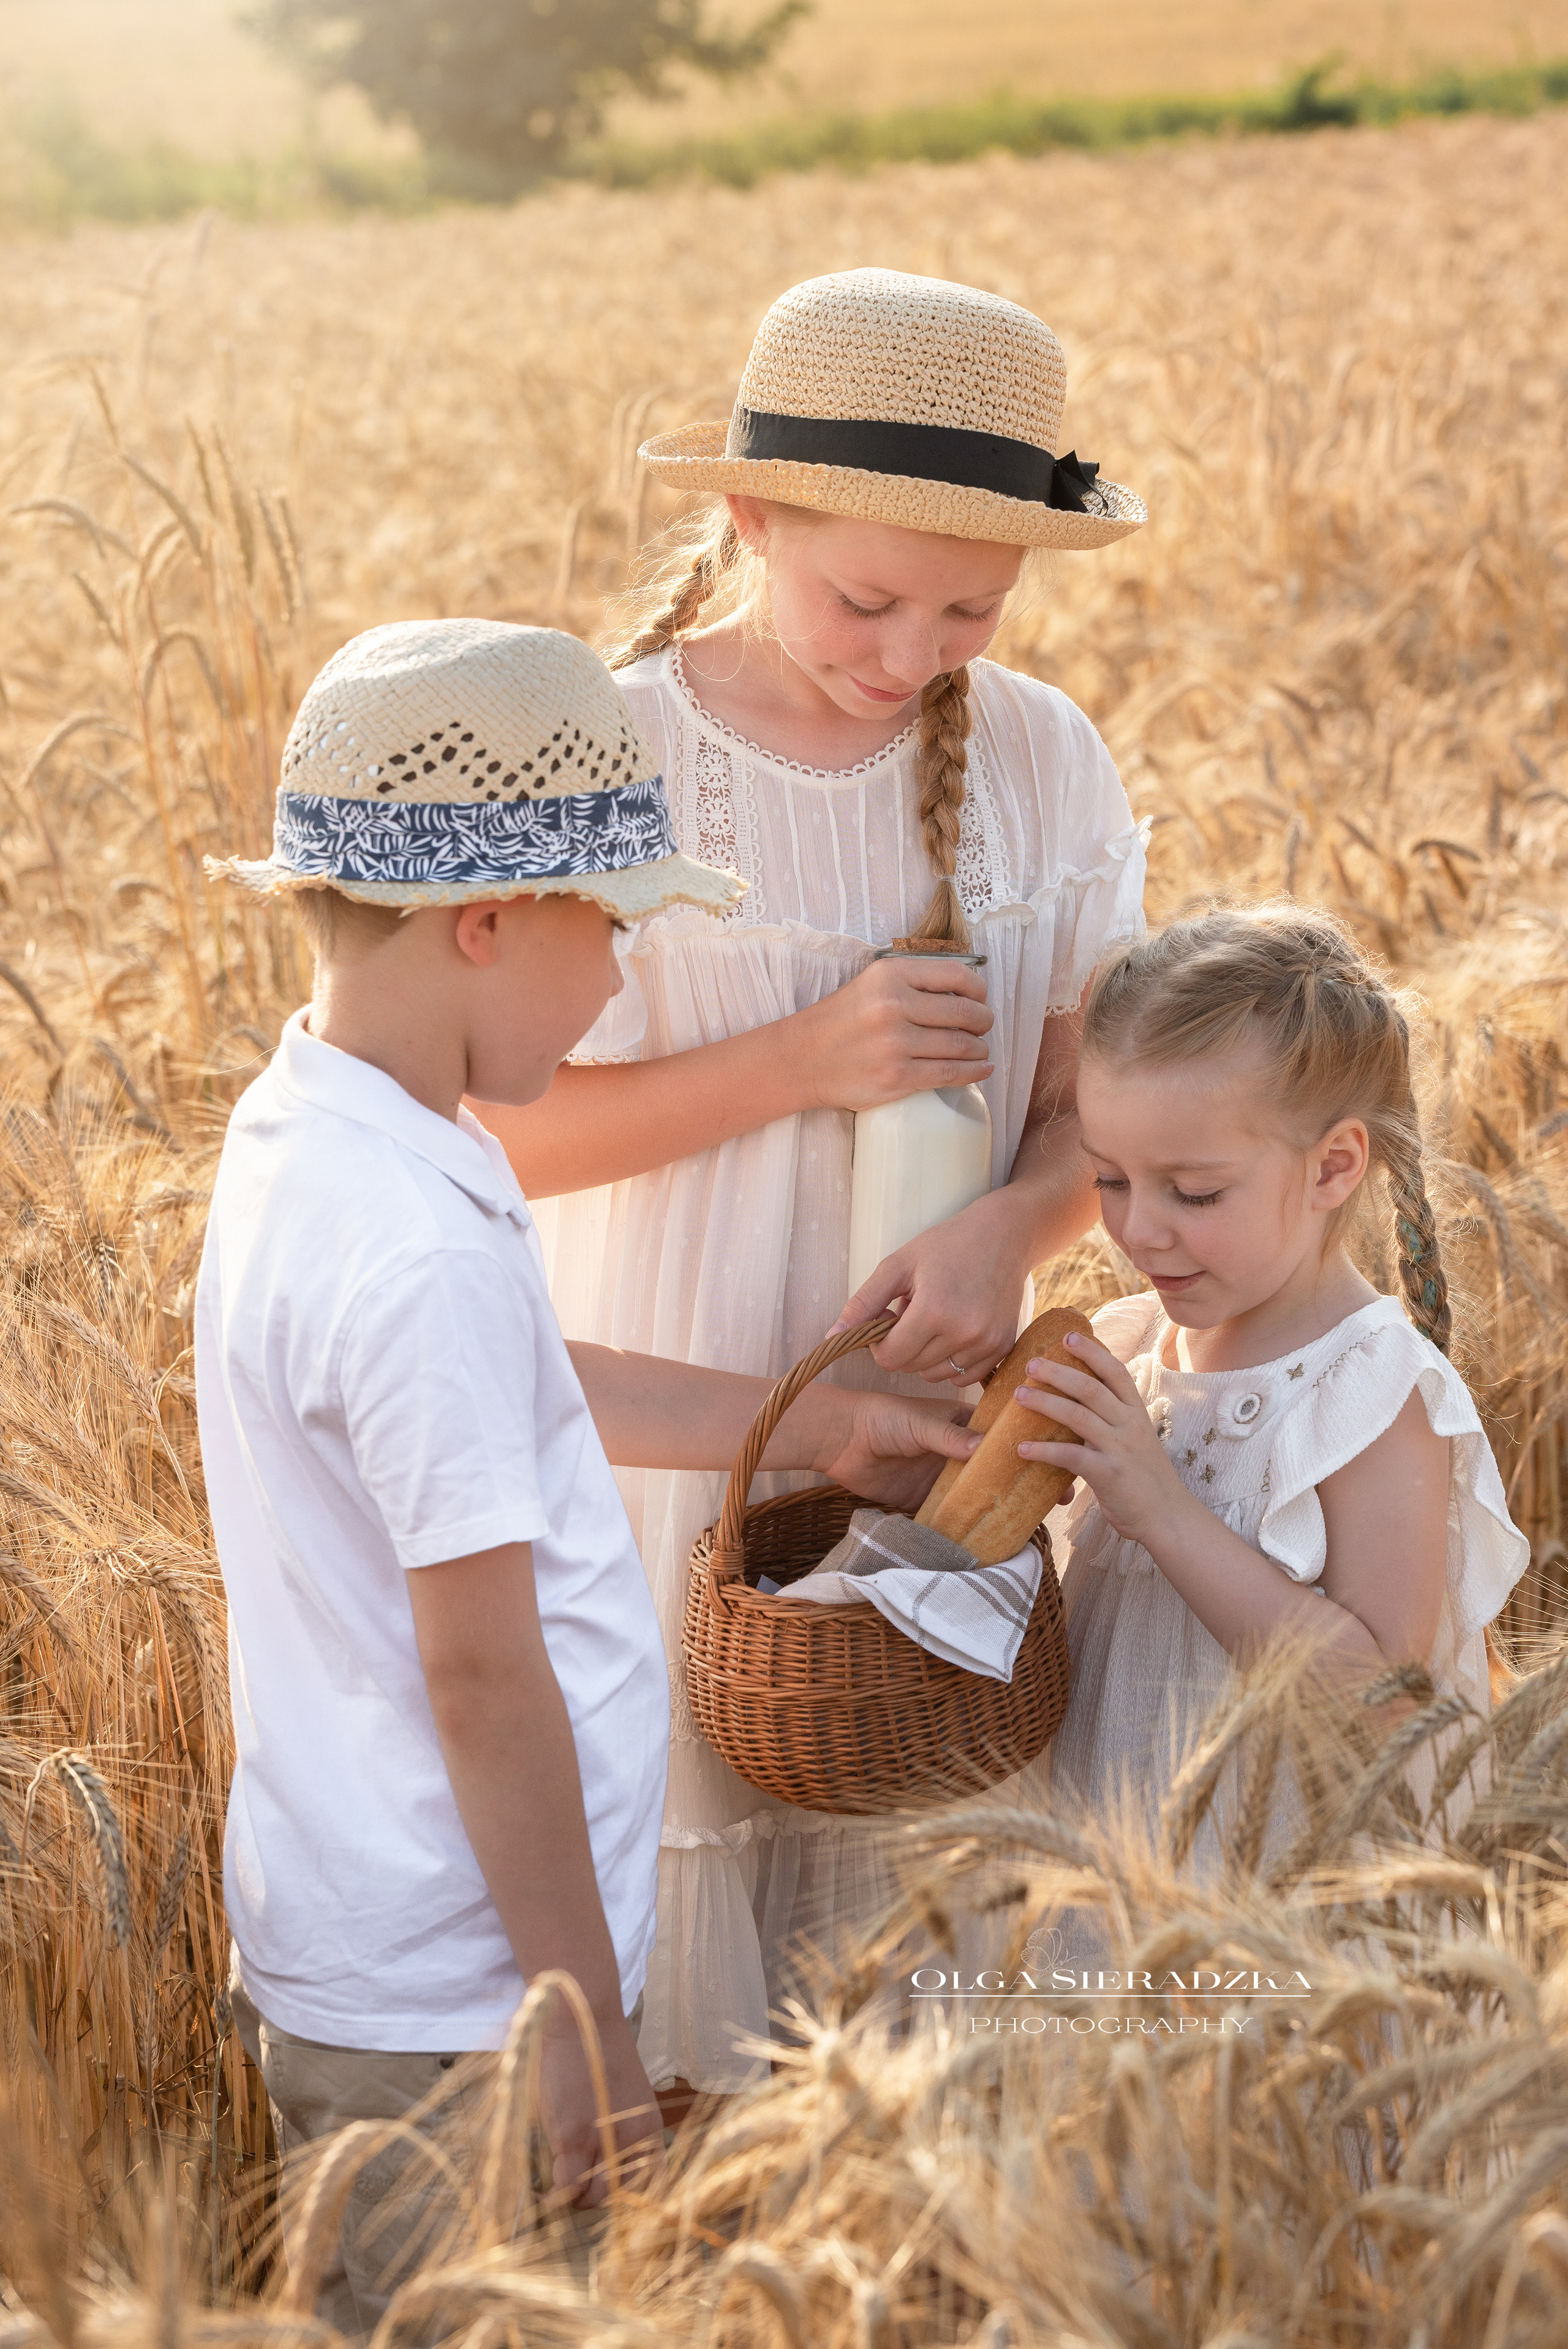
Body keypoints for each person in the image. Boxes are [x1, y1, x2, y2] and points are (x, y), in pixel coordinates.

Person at [197, 618, 977, 2334]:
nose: (621, 981)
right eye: (612, 928)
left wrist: (812, 1424)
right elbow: (482, 1680)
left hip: (392, 1951)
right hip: (464, 2013)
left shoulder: (330, 1130)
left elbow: (525, 1385)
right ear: (487, 922)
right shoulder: (411, 1246)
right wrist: (585, 2028)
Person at [480, 267, 1150, 2097]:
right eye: (865, 599)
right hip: (670, 1439)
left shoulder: (1043, 760)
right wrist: (794, 1062)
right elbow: (498, 1131)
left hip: (936, 1460)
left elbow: (1101, 1115)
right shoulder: (611, 754)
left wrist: (1013, 1225)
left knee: (913, 1940)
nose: (913, 650)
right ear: (749, 515)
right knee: (691, 1985)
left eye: (971, 608)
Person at [1012, 904, 1530, 1865]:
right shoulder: (1137, 1347)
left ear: (1333, 1167)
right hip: (1114, 1872)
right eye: (1110, 1179)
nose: (1139, 1229)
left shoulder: (1370, 1396)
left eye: (1194, 1192)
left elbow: (1386, 1704)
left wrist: (1165, 1512)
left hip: (1277, 1892)